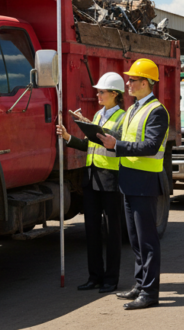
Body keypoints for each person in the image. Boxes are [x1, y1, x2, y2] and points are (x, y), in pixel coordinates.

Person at [98, 58, 169, 311]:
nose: (127, 84)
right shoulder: (133, 109)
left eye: (132, 80)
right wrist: (108, 137)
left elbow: (150, 146)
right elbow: (128, 137)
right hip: (129, 180)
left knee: (147, 241)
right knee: (136, 240)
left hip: (145, 181)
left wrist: (116, 145)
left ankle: (150, 292)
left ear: (146, 83)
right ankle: (140, 285)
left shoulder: (157, 111)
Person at [56, 72, 126, 294]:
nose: (98, 95)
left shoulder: (123, 118)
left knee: (112, 232)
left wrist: (103, 133)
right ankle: (94, 277)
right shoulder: (97, 115)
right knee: (92, 230)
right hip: (92, 178)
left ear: (114, 94)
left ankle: (111, 279)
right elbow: (89, 145)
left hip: (111, 179)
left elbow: (120, 144)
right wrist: (68, 137)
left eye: (102, 92)